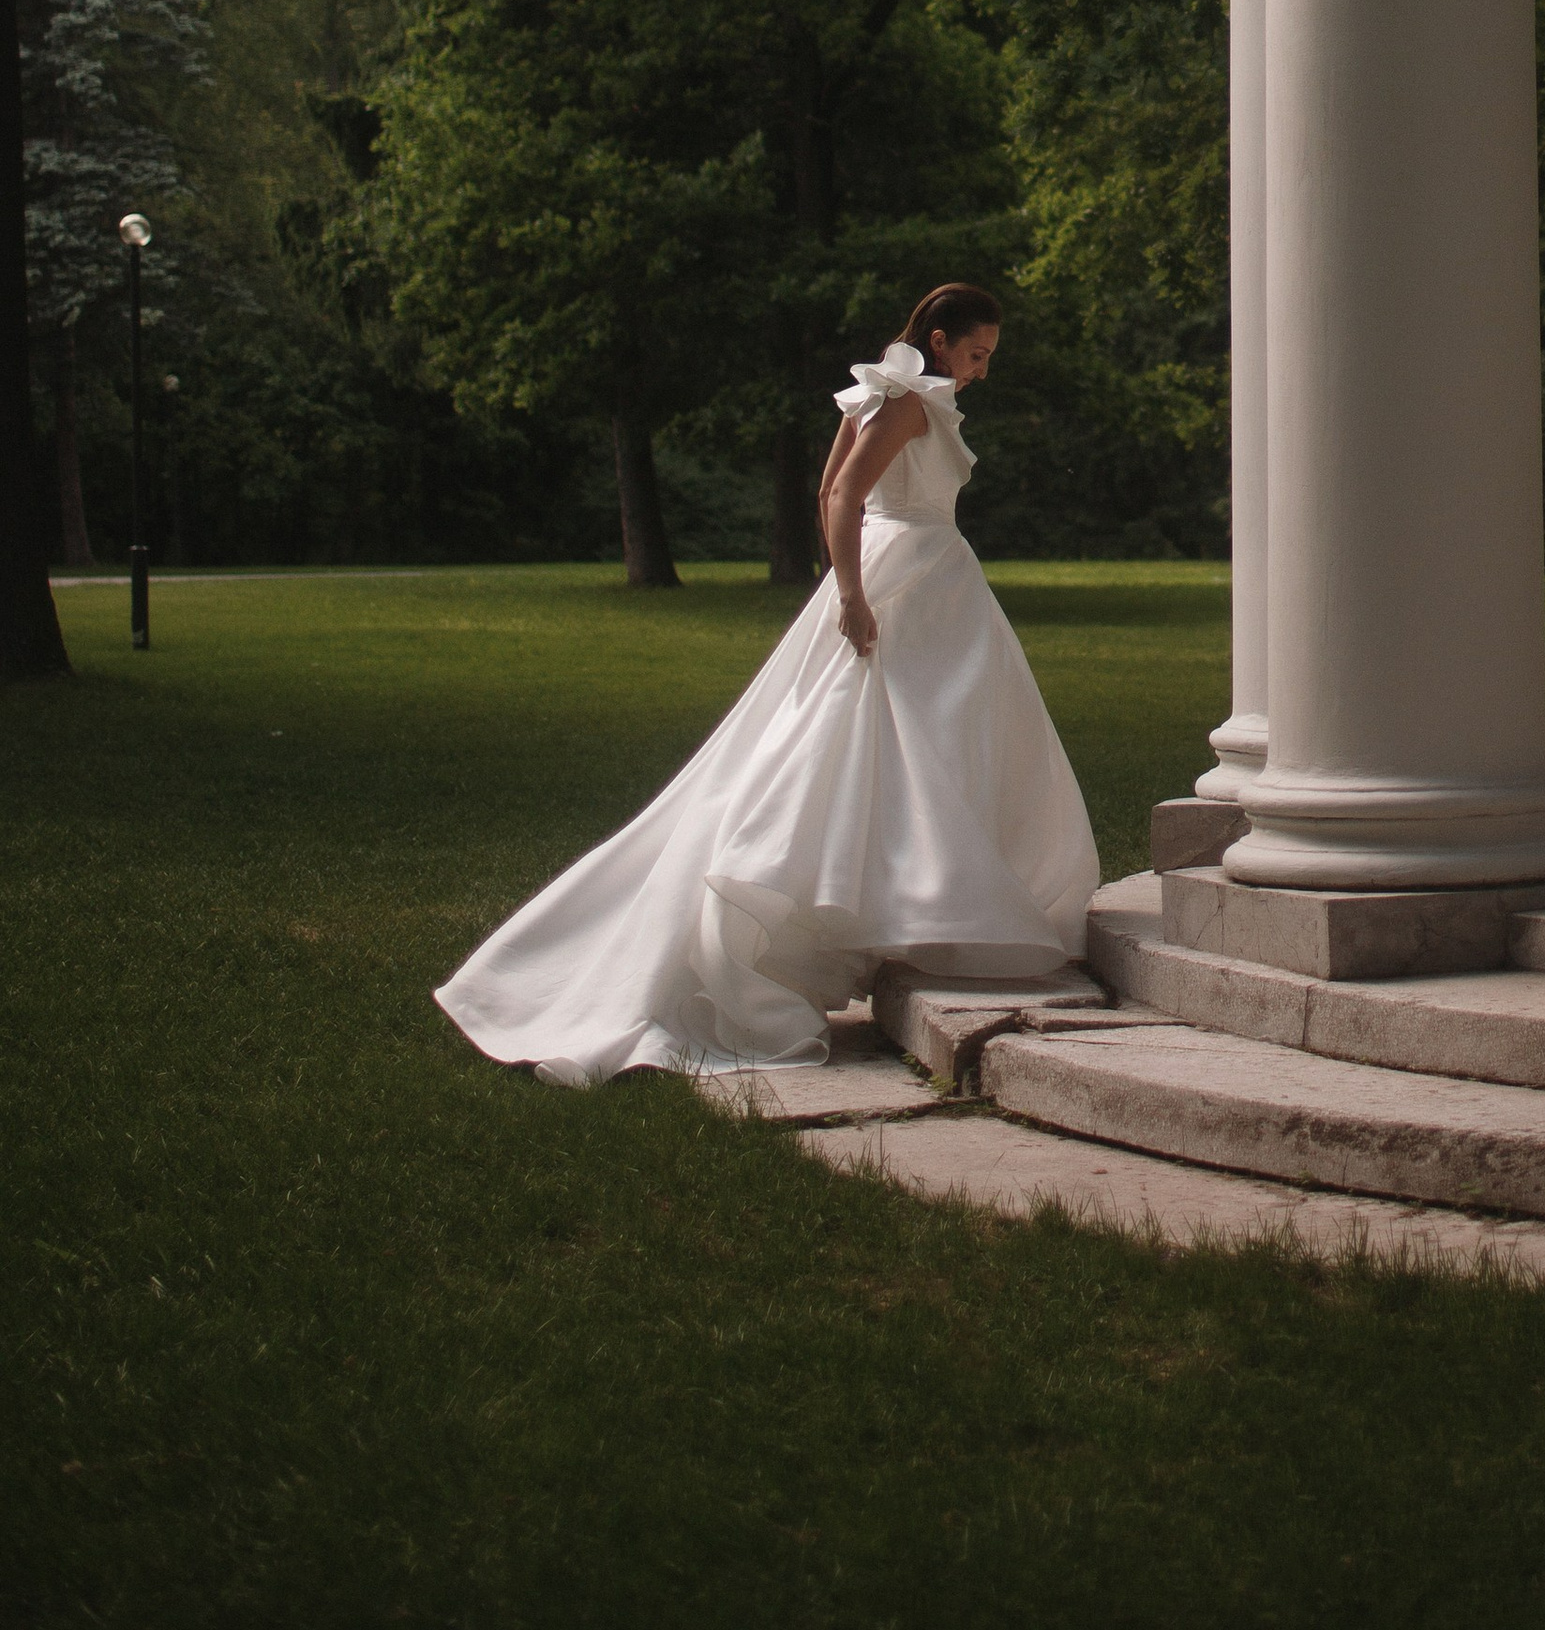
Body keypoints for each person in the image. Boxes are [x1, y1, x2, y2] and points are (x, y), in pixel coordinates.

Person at [433, 283, 1098, 1085]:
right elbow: (845, 494)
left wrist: (848, 577)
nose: (984, 371)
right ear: (942, 340)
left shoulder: (880, 397)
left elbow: (827, 493)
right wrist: (852, 593)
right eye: (979, 354)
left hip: (919, 578)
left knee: (908, 740)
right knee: (883, 738)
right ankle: (883, 909)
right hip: (911, 577)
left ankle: (905, 909)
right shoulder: (910, 404)